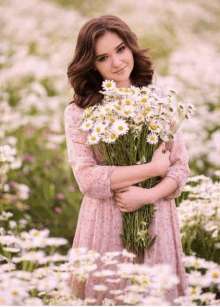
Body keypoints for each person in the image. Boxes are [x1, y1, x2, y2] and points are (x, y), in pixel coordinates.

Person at [64, 15, 190, 305]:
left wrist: (147, 195)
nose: (117, 62)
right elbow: (87, 179)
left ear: (131, 47)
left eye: (120, 49)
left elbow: (180, 167)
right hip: (105, 223)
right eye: (103, 57)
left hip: (156, 219)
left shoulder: (160, 99)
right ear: (91, 64)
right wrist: (152, 168)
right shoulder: (80, 112)